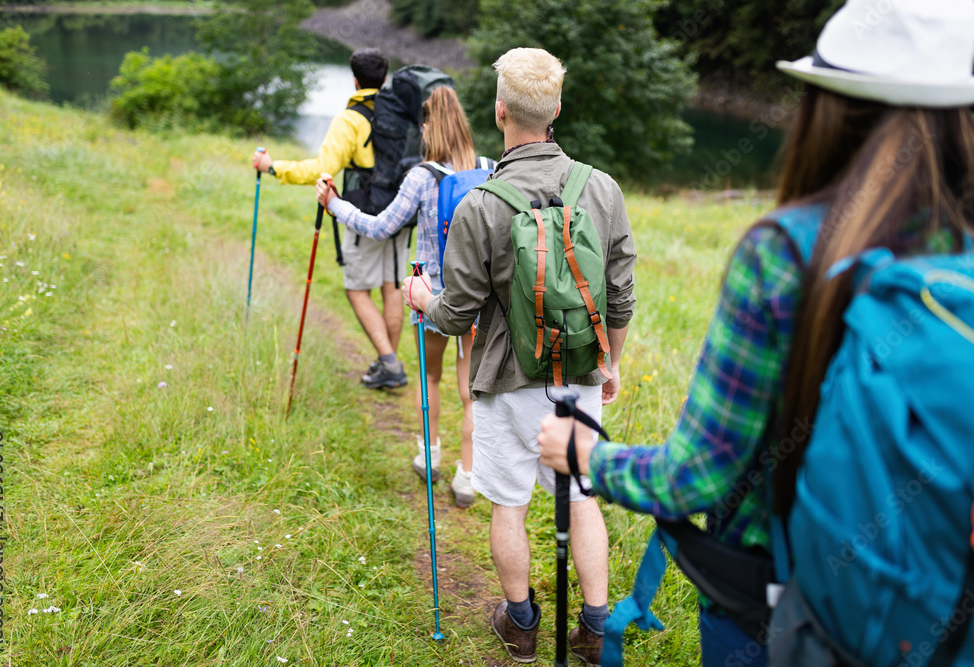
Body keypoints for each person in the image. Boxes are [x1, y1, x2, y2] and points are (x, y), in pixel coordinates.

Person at [537, 1, 974, 664]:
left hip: (783, 606)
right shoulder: (960, 250)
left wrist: (589, 456)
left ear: (826, 108)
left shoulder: (785, 252)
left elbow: (698, 476)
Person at [403, 47, 637, 666]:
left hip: (506, 380)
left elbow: (458, 315)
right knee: (580, 498)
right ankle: (592, 630)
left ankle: (523, 624)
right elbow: (620, 291)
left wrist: (424, 299)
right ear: (556, 109)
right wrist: (609, 361)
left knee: (509, 503)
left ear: (501, 111)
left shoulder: (481, 202)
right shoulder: (602, 189)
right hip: (579, 373)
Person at [314, 86, 485, 508]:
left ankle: (430, 456)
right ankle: (468, 477)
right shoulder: (489, 169)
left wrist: (335, 205)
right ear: (463, 125)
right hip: (478, 297)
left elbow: (379, 227)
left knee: (431, 377)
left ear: (428, 126)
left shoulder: (421, 177)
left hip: (429, 295)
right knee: (471, 390)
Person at [252, 47, 409, 390]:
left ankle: (389, 363)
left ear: (355, 79)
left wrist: (274, 167)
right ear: (384, 78)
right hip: (400, 210)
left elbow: (320, 170)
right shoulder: (402, 112)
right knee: (391, 286)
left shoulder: (349, 119)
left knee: (357, 289)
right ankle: (389, 362)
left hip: (364, 212)